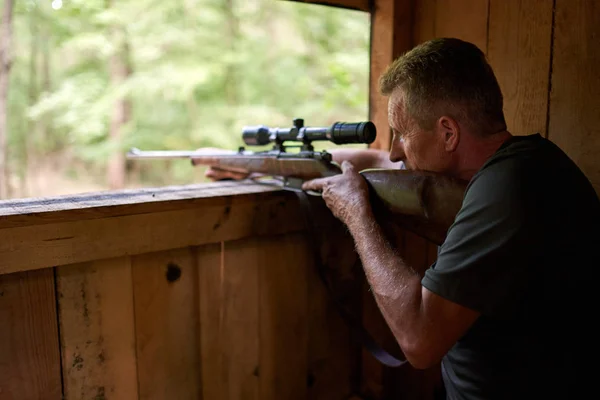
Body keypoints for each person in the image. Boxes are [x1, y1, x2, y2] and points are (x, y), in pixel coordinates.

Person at [204, 38, 600, 399]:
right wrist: (262, 166)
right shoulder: (522, 165)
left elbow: (419, 341)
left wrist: (357, 215)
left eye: (402, 134)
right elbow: (373, 159)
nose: (394, 151)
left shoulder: (509, 190)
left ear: (448, 133)